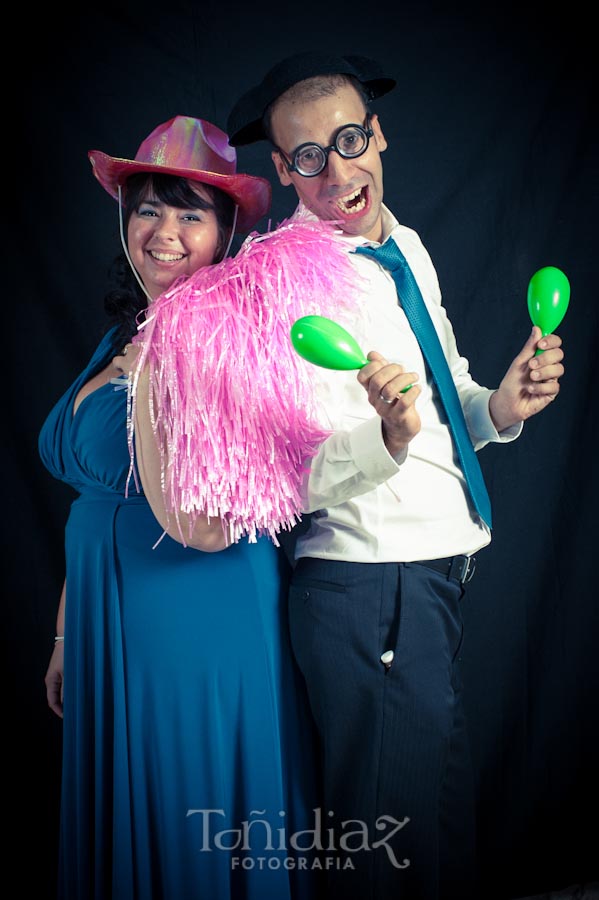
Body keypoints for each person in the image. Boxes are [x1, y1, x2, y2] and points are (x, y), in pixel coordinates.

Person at [226, 52, 566, 900]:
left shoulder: (402, 243)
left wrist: (501, 407)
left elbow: (445, 395)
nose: (337, 169)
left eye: (349, 140)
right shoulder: (278, 281)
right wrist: (385, 436)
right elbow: (283, 475)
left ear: (378, 135)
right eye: (308, 156)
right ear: (283, 169)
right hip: (364, 585)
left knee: (433, 825)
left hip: (430, 580)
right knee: (390, 851)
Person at [39, 115, 323, 900]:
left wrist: (158, 381)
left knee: (185, 809)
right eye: (148, 211)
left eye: (189, 215)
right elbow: (98, 500)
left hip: (192, 610)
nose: (163, 234)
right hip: (109, 610)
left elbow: (199, 525)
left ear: (225, 230)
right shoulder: (128, 331)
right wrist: (70, 629)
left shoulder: (218, 337)